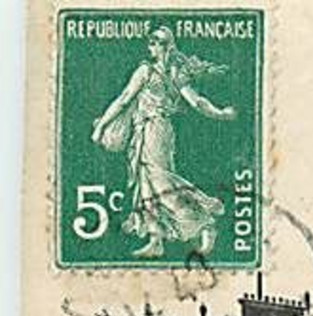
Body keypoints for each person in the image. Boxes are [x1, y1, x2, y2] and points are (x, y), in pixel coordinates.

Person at [90, 26, 237, 259]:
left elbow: (125, 99)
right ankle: (155, 239)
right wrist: (220, 113)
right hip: (148, 131)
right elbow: (193, 101)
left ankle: (204, 222)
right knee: (146, 183)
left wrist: (100, 127)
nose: (152, 45)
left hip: (155, 130)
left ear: (167, 45)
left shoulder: (150, 72)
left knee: (160, 183)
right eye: (150, 41)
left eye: (156, 41)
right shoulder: (169, 72)